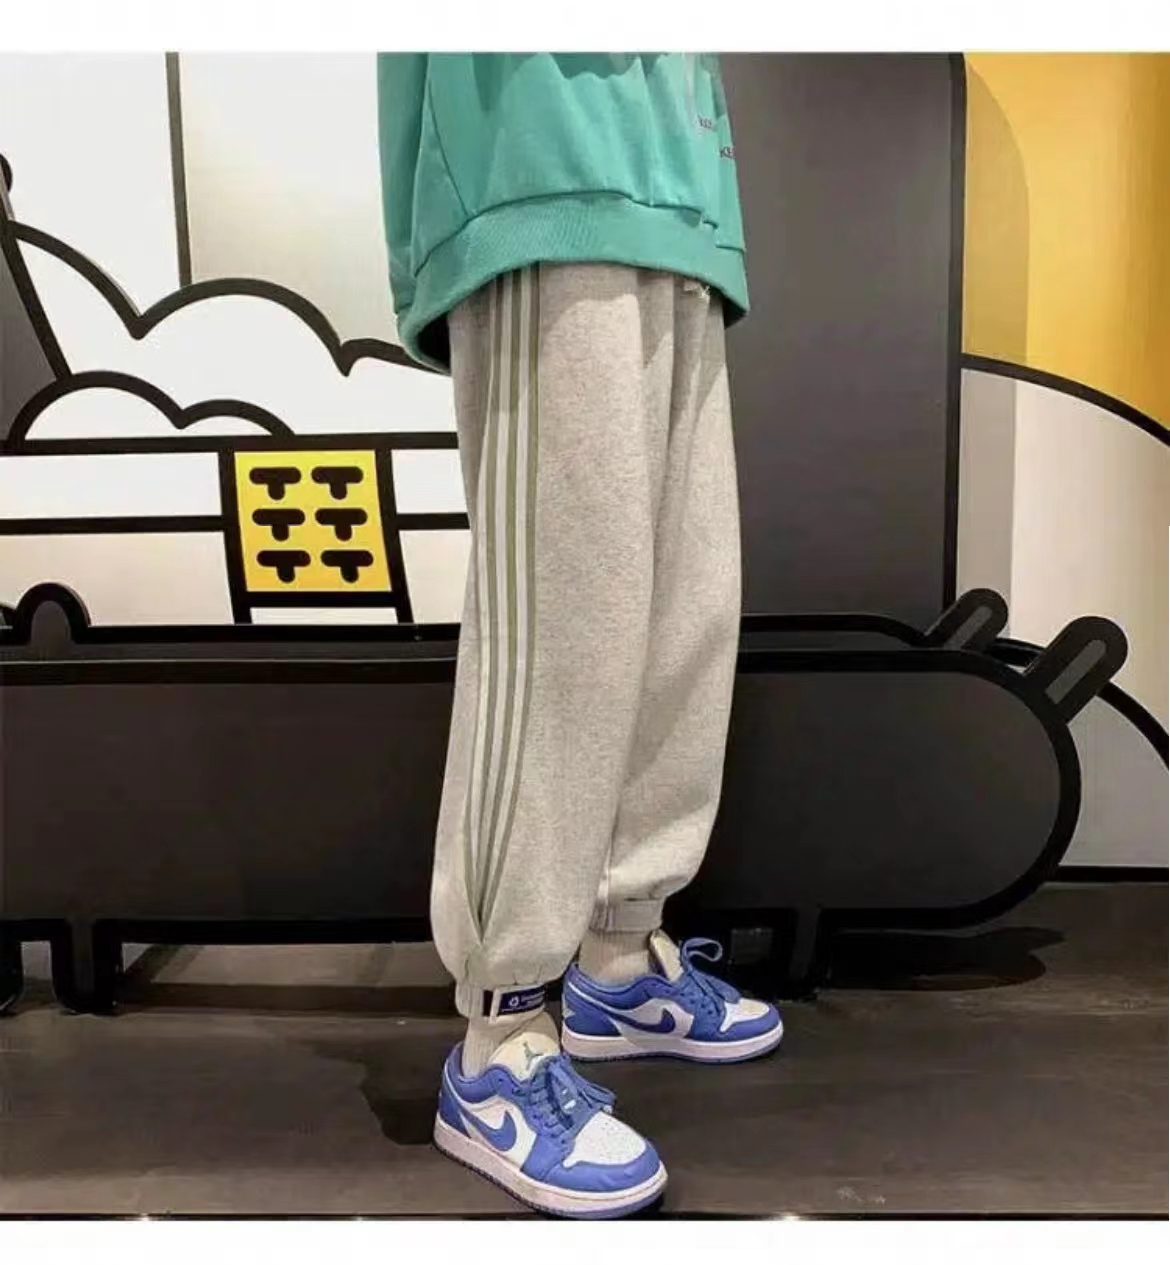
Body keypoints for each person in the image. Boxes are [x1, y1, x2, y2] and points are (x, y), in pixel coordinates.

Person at [376, 52, 782, 1219]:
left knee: (682, 613)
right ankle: (500, 1040)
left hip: (683, 198)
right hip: (537, 164)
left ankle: (618, 950)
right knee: (562, 623)